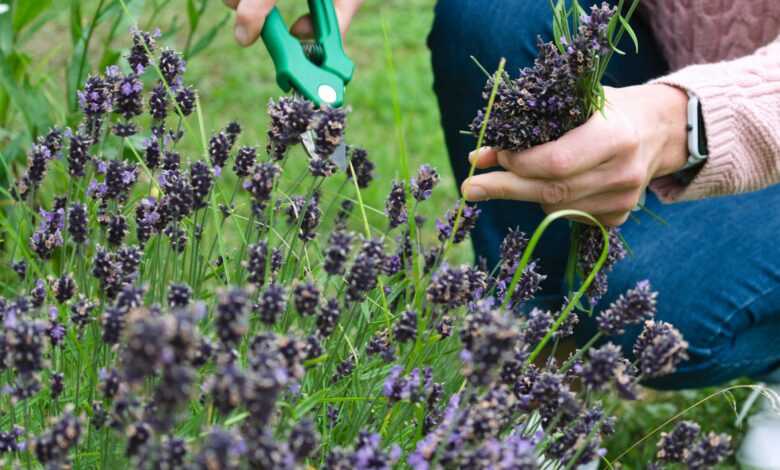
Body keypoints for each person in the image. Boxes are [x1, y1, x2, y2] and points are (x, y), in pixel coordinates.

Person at [222, 0, 780, 466]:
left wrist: (681, 121)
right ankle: (539, 380)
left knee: (653, 306)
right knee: (494, 14)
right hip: (679, 59)